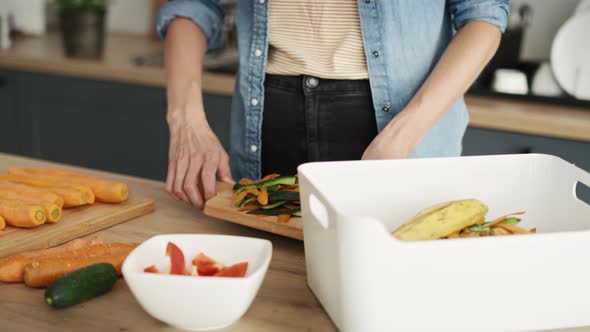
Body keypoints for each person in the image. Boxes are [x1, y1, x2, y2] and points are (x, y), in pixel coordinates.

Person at [156, 0, 509, 209]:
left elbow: (483, 15)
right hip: (264, 129)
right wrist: (184, 118)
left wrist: (403, 136)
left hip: (400, 135)